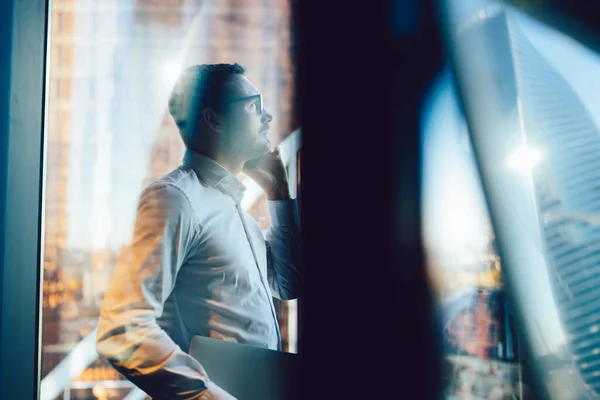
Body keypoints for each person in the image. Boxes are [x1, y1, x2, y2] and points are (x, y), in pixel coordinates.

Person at [96, 63, 301, 399]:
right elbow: (123, 330)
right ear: (214, 120)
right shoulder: (175, 199)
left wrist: (279, 192)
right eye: (254, 105)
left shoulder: (238, 214)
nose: (268, 118)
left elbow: (288, 283)